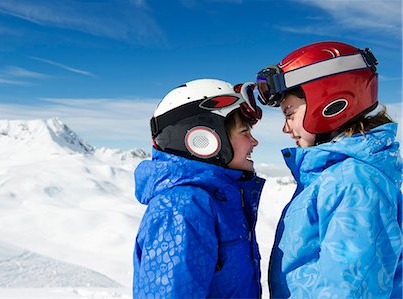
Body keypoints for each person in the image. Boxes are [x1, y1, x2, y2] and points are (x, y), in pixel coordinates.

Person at [256, 41, 402, 298]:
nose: (285, 129)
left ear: (330, 104)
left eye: (289, 113)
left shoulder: (354, 183)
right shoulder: (335, 175)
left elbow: (352, 290)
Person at [133, 78, 265, 298]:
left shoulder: (218, 198)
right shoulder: (181, 207)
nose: (254, 142)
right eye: (244, 132)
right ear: (204, 139)